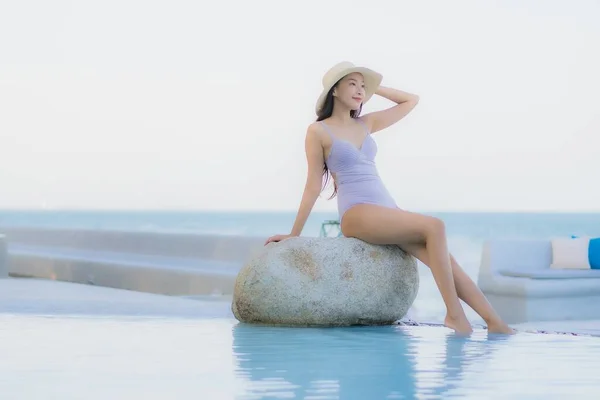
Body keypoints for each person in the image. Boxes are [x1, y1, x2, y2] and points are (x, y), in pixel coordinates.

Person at [265, 61, 514, 335]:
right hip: (357, 212)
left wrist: (374, 87)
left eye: (363, 86)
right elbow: (313, 185)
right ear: (334, 90)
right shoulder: (318, 131)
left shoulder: (366, 123)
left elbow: (410, 101)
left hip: (386, 208)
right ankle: (454, 315)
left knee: (445, 258)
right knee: (435, 226)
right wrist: (294, 234)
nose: (360, 90)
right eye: (352, 84)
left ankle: (495, 323)